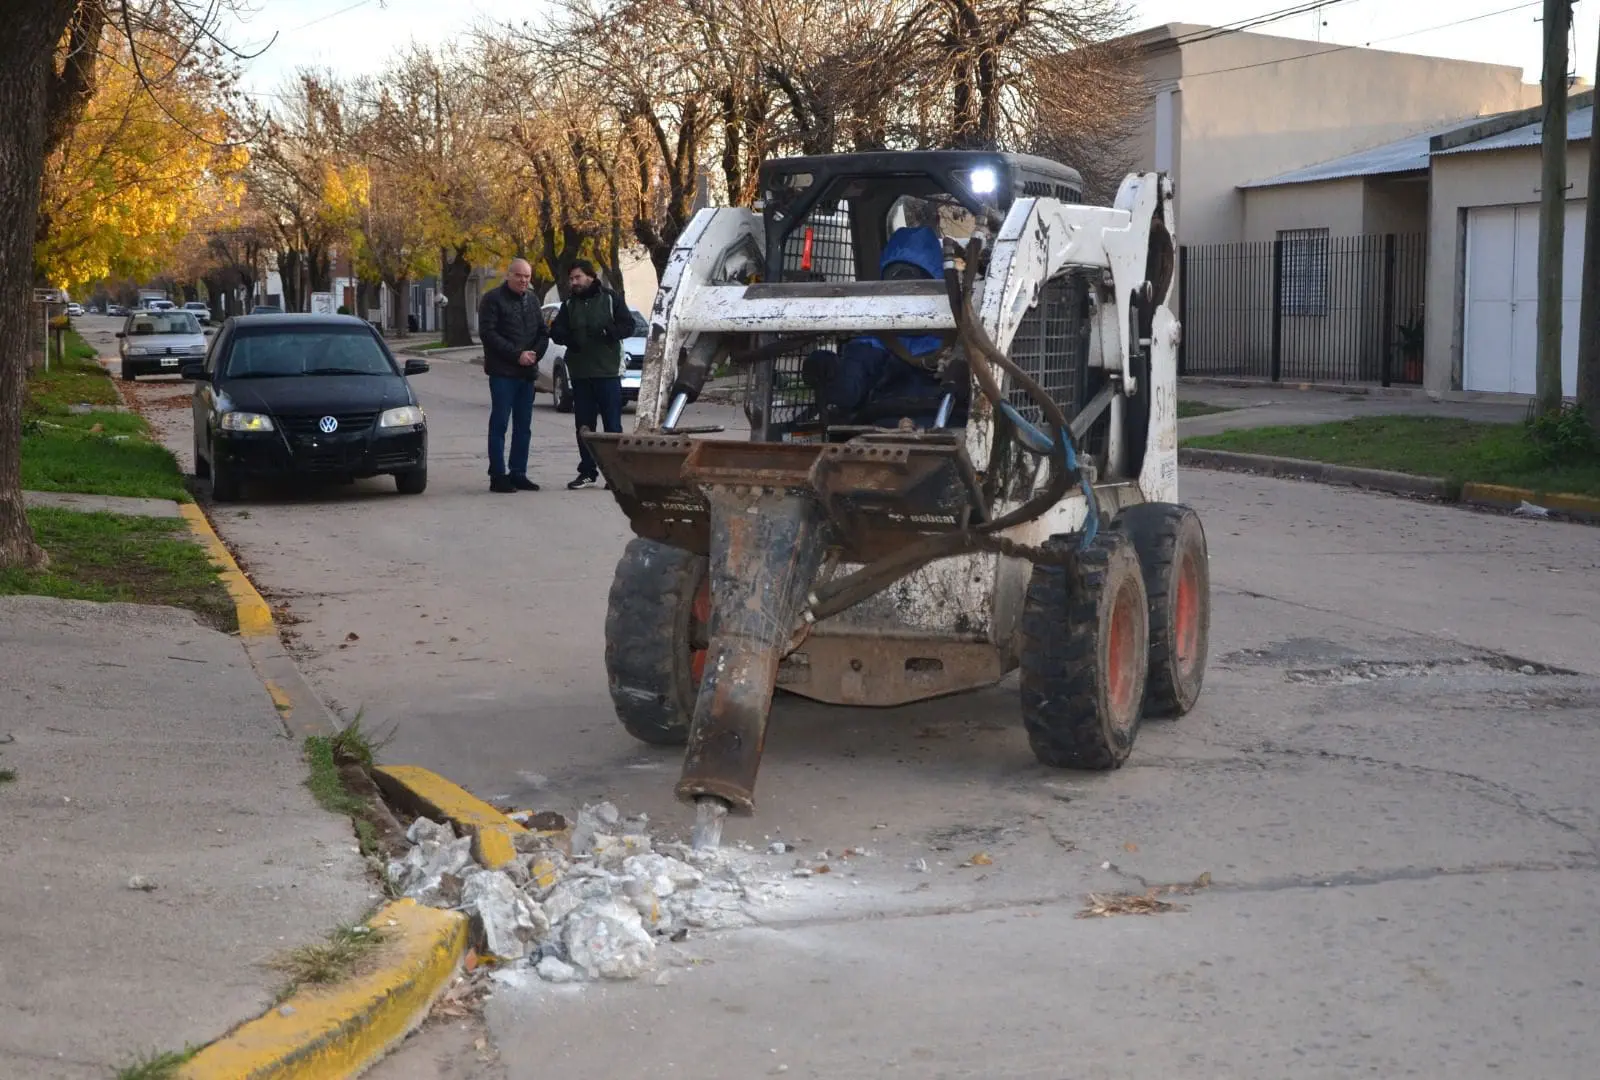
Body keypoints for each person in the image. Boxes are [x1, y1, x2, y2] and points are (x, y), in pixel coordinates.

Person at [800, 225, 960, 429]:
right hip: (883, 432)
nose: (904, 294)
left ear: (937, 282)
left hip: (951, 432)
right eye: (895, 281)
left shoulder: (959, 339)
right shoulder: (874, 341)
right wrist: (829, 370)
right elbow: (848, 392)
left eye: (913, 282)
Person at [549, 260, 635, 489]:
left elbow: (629, 325)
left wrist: (610, 333)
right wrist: (568, 338)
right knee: (584, 427)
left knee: (612, 426)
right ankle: (587, 471)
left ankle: (615, 474)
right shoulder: (569, 305)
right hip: (580, 373)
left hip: (607, 372)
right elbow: (556, 331)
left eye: (577, 277)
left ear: (591, 277)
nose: (573, 282)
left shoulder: (610, 299)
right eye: (571, 279)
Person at [477, 258, 549, 493]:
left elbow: (542, 332)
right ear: (508, 275)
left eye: (527, 276)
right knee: (500, 424)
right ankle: (498, 475)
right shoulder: (492, 300)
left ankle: (518, 472)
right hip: (503, 373)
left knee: (523, 426)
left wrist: (534, 355)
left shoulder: (532, 300)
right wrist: (516, 354)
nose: (523, 280)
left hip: (527, 374)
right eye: (519, 275)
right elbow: (488, 334)